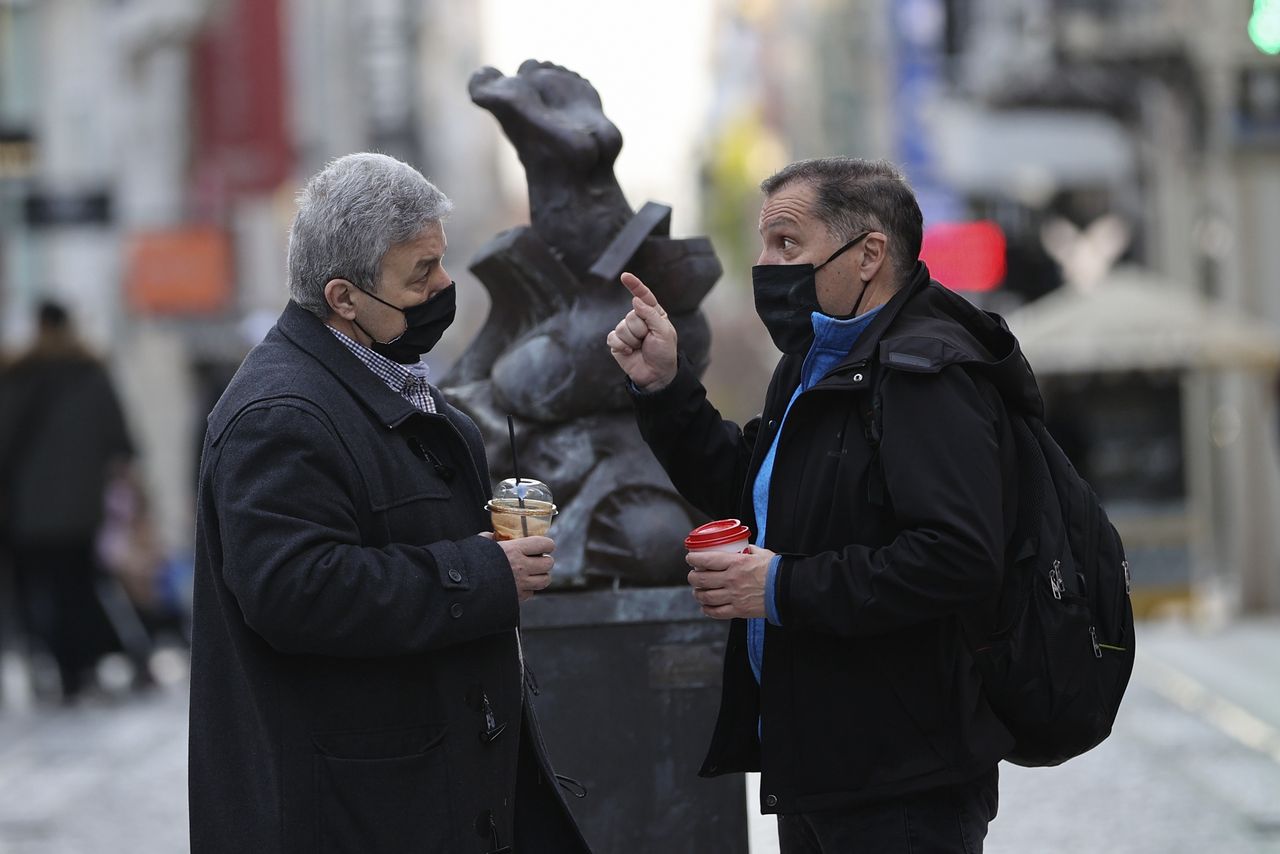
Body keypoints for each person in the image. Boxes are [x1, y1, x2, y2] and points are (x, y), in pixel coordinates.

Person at [608, 158, 1036, 852]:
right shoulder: (815, 365)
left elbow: (958, 557)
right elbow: (748, 485)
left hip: (900, 782)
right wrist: (665, 385)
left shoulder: (925, 372)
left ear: (869, 255)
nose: (766, 265)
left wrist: (779, 585)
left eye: (786, 244)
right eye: (764, 244)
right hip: (819, 765)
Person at [189, 153, 590, 854]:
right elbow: (295, 590)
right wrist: (483, 574)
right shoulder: (281, 413)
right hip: (358, 808)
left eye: (440, 261)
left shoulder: (387, 382)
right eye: (420, 275)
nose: (444, 286)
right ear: (344, 297)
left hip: (421, 791)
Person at [0, 300, 139, 702]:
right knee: (80, 587)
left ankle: (60, 670)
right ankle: (86, 666)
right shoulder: (92, 374)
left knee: (39, 592)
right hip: (82, 509)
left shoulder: (17, 376)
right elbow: (122, 441)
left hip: (29, 513)